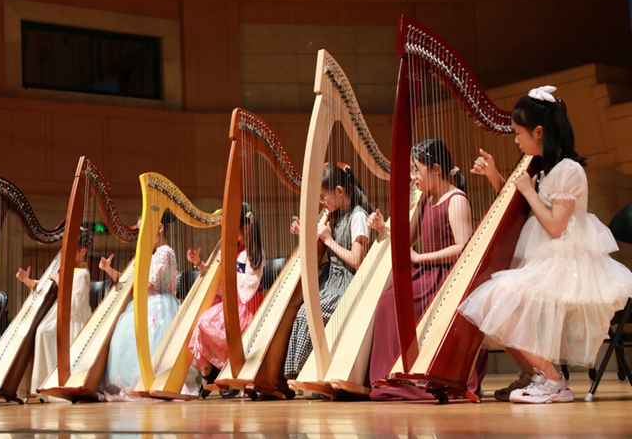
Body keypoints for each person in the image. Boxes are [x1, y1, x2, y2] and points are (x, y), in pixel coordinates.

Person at [459, 85, 632, 403]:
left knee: (495, 298)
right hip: (545, 258)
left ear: (538, 131)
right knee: (488, 303)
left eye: (518, 132)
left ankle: (552, 380)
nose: (515, 140)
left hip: (567, 262)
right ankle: (534, 373)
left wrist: (525, 190)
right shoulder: (546, 168)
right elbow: (527, 214)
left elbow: (554, 226)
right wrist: (497, 177)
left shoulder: (569, 170)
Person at [368, 138, 475, 400]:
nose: (413, 175)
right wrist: (383, 228)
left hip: (446, 278)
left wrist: (422, 259)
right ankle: (395, 375)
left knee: (391, 302)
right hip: (427, 273)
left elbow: (463, 248)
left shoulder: (456, 200)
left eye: (417, 169)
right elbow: (407, 240)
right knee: (386, 301)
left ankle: (410, 378)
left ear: (436, 170)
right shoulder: (427, 201)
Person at [283, 163, 372, 382]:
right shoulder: (336, 214)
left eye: (323, 197)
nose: (321, 203)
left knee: (308, 313)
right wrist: (303, 232)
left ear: (339, 192)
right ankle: (301, 375)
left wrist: (329, 240)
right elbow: (320, 240)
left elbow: (357, 260)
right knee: (302, 310)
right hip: (331, 279)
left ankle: (308, 375)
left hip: (347, 283)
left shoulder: (358, 216)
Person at [102, 209, 183, 397]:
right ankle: (133, 384)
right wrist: (109, 270)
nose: (140, 237)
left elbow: (146, 286)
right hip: (147, 302)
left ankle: (149, 381)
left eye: (143, 231)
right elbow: (130, 282)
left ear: (160, 228)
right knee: (124, 335)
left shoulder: (165, 253)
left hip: (159, 306)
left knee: (138, 335)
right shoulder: (152, 254)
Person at [188, 202, 265, 398]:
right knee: (202, 322)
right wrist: (199, 263)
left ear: (246, 227)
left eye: (232, 226)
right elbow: (220, 284)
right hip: (231, 302)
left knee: (212, 323)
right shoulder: (232, 251)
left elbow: (248, 287)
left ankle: (232, 370)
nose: (228, 231)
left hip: (247, 305)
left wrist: (231, 266)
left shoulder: (255, 253)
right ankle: (210, 370)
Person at [17, 229, 92, 400]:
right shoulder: (68, 271)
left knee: (45, 331)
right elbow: (45, 291)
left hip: (73, 319)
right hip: (59, 314)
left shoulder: (82, 274)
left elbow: (73, 306)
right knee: (42, 330)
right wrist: (27, 280)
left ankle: (57, 385)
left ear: (83, 251)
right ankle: (47, 385)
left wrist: (59, 280)